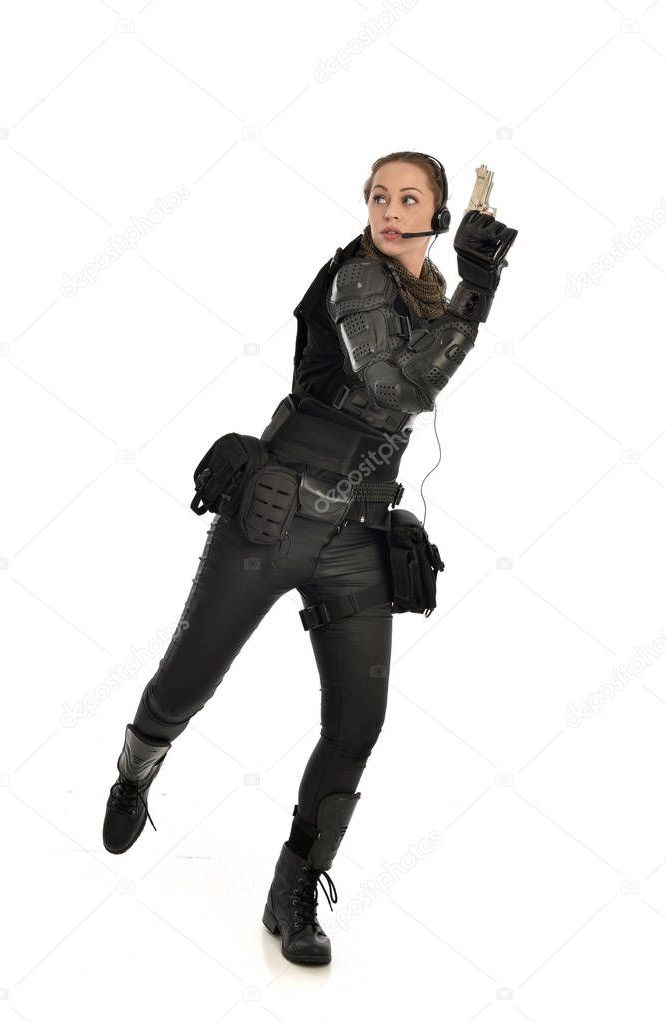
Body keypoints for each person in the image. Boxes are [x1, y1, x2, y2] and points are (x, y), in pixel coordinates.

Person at [101, 150, 517, 966]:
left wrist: (466, 289)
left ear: (438, 214)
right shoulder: (355, 279)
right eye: (377, 197)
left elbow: (413, 377)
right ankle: (134, 767)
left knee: (357, 723)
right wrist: (479, 293)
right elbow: (397, 391)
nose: (388, 211)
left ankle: (292, 891)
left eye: (408, 199)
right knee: (187, 681)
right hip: (275, 514)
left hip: (359, 534)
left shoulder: (423, 293)